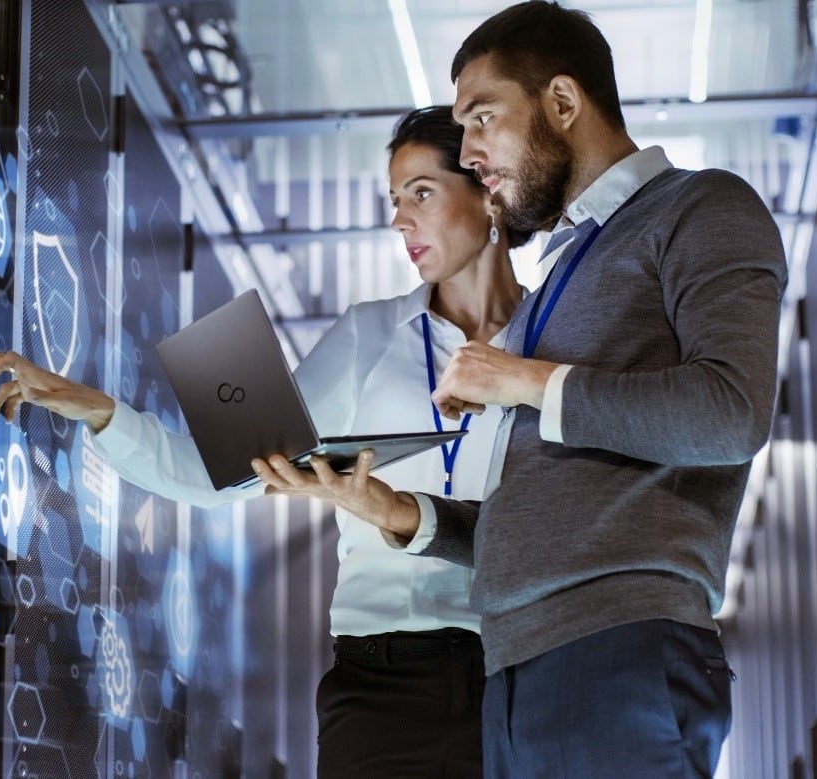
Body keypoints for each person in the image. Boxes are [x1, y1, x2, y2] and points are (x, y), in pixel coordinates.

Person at [251, 3, 787, 777]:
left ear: (562, 104)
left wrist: (524, 378)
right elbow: (532, 511)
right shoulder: (559, 279)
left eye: (482, 117)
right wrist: (398, 514)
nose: (470, 152)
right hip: (514, 673)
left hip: (620, 650)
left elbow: (730, 412)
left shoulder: (702, 207)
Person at [0, 105, 531, 777]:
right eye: (393, 200)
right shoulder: (367, 335)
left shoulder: (552, 344)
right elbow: (218, 474)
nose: (399, 219)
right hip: (380, 678)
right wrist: (94, 409)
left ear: (487, 192)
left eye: (421, 193)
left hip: (516, 672)